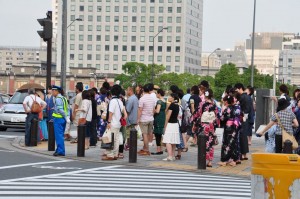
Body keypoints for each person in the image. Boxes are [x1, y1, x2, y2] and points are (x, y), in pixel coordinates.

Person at [192, 89, 219, 167]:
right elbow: (217, 117)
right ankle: (210, 161)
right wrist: (214, 124)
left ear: (205, 95)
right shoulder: (214, 105)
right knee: (210, 143)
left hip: (203, 125)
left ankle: (203, 159)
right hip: (211, 125)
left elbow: (197, 115)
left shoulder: (202, 104)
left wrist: (195, 124)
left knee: (203, 142)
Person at [102, 85, 127, 161]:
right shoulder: (120, 101)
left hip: (112, 123)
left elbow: (110, 113)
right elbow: (125, 114)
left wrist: (109, 122)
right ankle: (115, 154)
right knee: (116, 139)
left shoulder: (112, 101)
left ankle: (110, 154)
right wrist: (122, 119)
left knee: (110, 139)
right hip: (118, 123)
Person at [218, 95, 239, 167]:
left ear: (226, 101)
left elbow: (222, 118)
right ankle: (233, 160)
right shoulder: (234, 108)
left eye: (224, 101)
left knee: (227, 143)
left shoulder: (228, 109)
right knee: (233, 143)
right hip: (234, 127)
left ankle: (225, 160)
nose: (223, 102)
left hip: (229, 128)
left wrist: (220, 116)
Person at [137, 84, 156, 156]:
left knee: (144, 135)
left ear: (143, 90)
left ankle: (146, 150)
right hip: (151, 119)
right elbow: (153, 110)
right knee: (148, 134)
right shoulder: (152, 98)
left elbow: (140, 110)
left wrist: (138, 119)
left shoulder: (142, 99)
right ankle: (144, 148)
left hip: (144, 119)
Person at [234, 83, 251, 160]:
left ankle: (241, 154)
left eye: (236, 89)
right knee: (244, 136)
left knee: (241, 136)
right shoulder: (248, 97)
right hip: (246, 118)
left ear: (240, 88)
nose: (236, 91)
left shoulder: (241, 97)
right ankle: (245, 154)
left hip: (241, 118)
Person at [162, 93, 181, 161]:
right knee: (173, 141)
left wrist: (165, 125)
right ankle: (172, 155)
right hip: (175, 124)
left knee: (168, 140)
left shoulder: (172, 105)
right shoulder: (177, 105)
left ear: (173, 98)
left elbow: (167, 116)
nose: (168, 97)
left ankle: (169, 156)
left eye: (169, 96)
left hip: (170, 124)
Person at [51, 85, 69, 156]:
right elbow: (67, 109)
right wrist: (67, 117)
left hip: (58, 119)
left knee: (59, 136)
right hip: (63, 119)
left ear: (56, 91)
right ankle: (59, 149)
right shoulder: (64, 98)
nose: (52, 92)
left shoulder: (58, 99)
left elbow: (60, 109)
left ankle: (60, 151)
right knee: (60, 135)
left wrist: (65, 116)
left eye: (53, 91)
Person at [152, 89, 166, 155]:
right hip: (163, 117)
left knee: (157, 134)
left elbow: (157, 111)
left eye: (157, 93)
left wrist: (153, 110)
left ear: (159, 94)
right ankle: (160, 149)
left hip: (158, 118)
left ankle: (158, 150)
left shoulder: (159, 101)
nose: (156, 95)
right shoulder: (164, 101)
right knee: (160, 134)